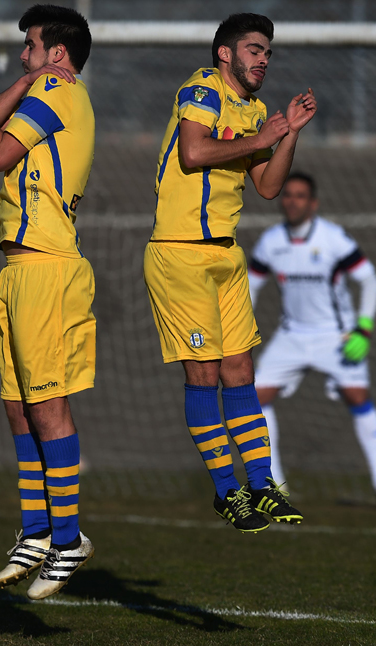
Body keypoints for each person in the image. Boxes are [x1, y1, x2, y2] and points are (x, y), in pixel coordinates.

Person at [144, 13, 317, 533]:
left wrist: (286, 135)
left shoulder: (257, 109)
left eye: (268, 52)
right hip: (179, 253)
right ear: (226, 53)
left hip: (225, 254)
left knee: (241, 373)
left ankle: (261, 486)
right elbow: (194, 152)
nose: (263, 58)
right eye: (255, 49)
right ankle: (227, 492)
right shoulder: (201, 88)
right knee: (204, 375)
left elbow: (266, 186)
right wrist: (259, 135)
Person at [0, 4, 95, 599]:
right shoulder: (42, 86)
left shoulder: (60, 94)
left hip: (47, 268)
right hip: (20, 269)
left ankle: (68, 540)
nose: (23, 54)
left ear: (57, 56)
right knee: (18, 408)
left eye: (32, 47)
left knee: (47, 406)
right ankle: (38, 531)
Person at [249, 173, 376, 509]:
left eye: (300, 196)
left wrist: (363, 329)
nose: (292, 200)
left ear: (313, 203)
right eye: (288, 195)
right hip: (292, 334)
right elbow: (250, 286)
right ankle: (275, 485)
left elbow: (371, 282)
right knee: (254, 398)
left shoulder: (334, 239)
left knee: (358, 397)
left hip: (337, 336)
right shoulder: (270, 241)